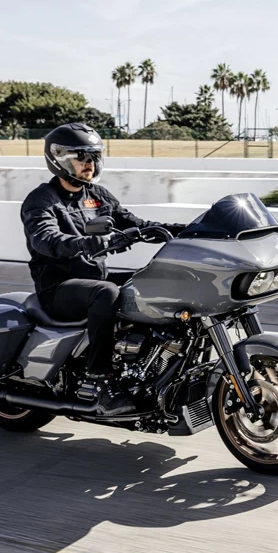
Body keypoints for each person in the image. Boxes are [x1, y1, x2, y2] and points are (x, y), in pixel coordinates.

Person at [20, 123, 188, 413]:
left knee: (155, 280)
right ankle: (99, 380)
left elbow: (138, 225)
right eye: (81, 157)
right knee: (106, 293)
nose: (89, 163)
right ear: (58, 158)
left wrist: (188, 229)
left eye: (93, 156)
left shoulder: (97, 195)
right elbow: (46, 239)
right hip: (58, 288)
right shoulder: (42, 199)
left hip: (95, 278)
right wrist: (91, 242)